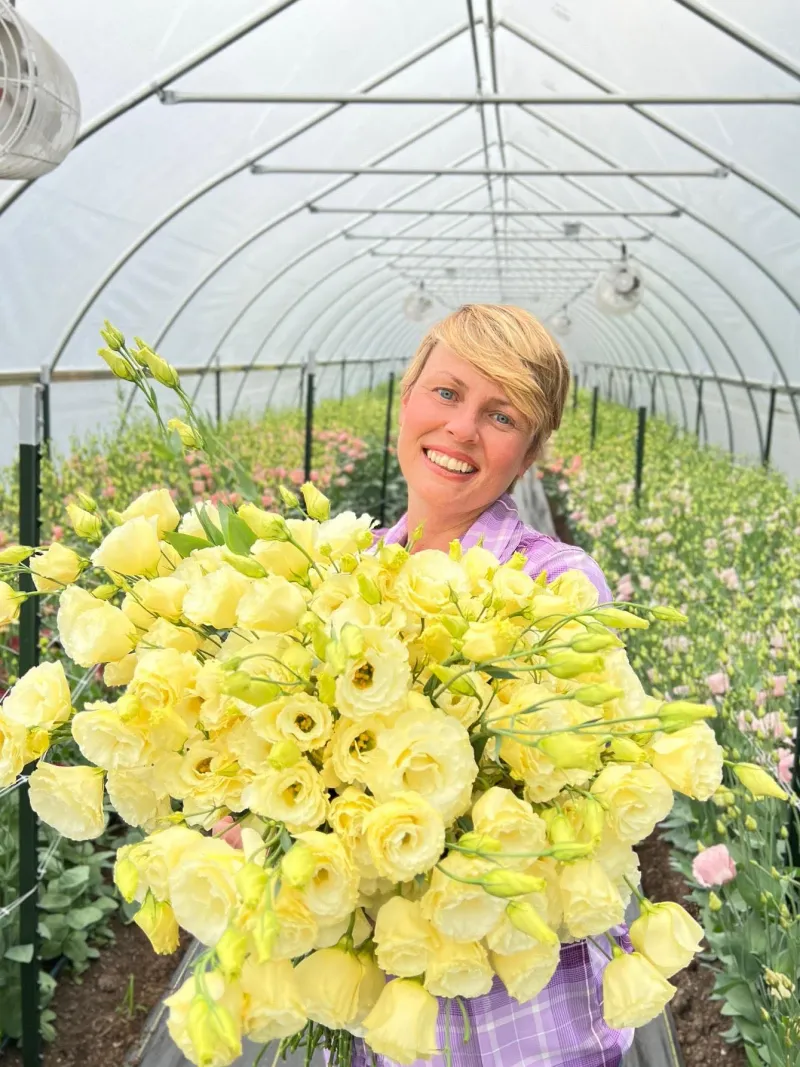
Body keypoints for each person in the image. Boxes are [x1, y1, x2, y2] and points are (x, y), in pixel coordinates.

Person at [350, 304, 633, 1067]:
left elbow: (573, 799)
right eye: (446, 392)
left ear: (531, 450)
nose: (461, 429)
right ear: (407, 397)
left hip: (526, 1023)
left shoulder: (556, 582)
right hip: (390, 1001)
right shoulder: (348, 574)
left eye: (500, 415)